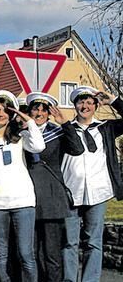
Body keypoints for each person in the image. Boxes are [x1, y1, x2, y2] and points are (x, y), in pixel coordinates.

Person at [61, 86, 123, 282]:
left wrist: (113, 100)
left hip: (98, 193)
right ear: (75, 105)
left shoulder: (106, 128)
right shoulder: (65, 129)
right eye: (81, 102)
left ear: (96, 105)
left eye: (89, 102)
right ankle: (69, 279)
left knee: (93, 242)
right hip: (71, 193)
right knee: (69, 242)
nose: (85, 106)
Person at [0, 90, 45, 282]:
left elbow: (39, 146)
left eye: (5, 110)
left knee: (26, 253)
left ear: (11, 114)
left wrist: (29, 120)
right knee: (1, 253)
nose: (0, 114)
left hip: (23, 202)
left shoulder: (21, 137)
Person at [24, 92, 84, 282]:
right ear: (30, 111)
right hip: (27, 197)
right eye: (36, 108)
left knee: (52, 253)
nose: (39, 112)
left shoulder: (56, 132)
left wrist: (65, 124)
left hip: (52, 198)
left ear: (49, 113)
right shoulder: (20, 132)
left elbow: (77, 149)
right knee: (30, 252)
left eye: (44, 109)